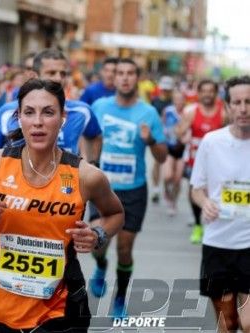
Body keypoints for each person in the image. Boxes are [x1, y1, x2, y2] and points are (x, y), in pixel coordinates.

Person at [0, 79, 124, 332]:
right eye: (29, 112)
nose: (38, 121)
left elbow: (115, 214)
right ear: (19, 118)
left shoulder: (86, 175)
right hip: (0, 310)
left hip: (61, 308)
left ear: (62, 118)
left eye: (48, 112)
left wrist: (97, 234)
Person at [89, 58, 168, 319]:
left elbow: (162, 157)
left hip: (134, 189)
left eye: (130, 73)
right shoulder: (99, 106)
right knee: (96, 241)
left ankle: (120, 297)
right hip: (102, 188)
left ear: (138, 78)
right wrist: (89, 164)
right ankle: (100, 266)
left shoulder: (148, 113)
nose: (124, 78)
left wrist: (151, 140)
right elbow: (88, 137)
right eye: (120, 73)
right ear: (114, 77)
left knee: (124, 247)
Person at [190, 75, 250, 333]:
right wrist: (204, 203)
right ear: (227, 107)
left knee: (248, 323)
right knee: (228, 324)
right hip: (218, 243)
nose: (243, 108)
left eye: (249, 102)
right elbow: (196, 188)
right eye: (237, 102)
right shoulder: (212, 142)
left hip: (249, 243)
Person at [0, 49, 102, 163]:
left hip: (64, 186)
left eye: (63, 74)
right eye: (51, 73)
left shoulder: (82, 111)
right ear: (33, 76)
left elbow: (96, 136)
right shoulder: (7, 112)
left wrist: (90, 164)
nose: (59, 78)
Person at [176, 79, 225, 244]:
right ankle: (198, 225)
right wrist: (184, 136)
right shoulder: (191, 112)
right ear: (199, 93)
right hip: (194, 160)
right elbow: (179, 132)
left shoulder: (223, 113)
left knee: (214, 193)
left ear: (216, 93)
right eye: (204, 91)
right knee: (193, 193)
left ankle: (213, 223)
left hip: (217, 162)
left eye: (211, 91)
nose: (207, 94)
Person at [161, 90, 187, 216]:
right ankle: (166, 191)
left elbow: (191, 128)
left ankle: (173, 202)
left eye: (181, 99)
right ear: (173, 100)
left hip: (182, 149)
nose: (179, 102)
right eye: (176, 99)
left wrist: (186, 137)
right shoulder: (168, 111)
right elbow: (162, 125)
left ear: (184, 100)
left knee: (177, 179)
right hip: (169, 148)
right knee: (167, 176)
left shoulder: (188, 113)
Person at [150, 75, 175, 203]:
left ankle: (167, 188)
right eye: (164, 89)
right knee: (157, 162)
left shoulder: (175, 102)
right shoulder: (154, 101)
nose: (165, 91)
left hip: (172, 139)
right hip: (158, 137)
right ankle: (155, 189)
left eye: (168, 89)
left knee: (169, 166)